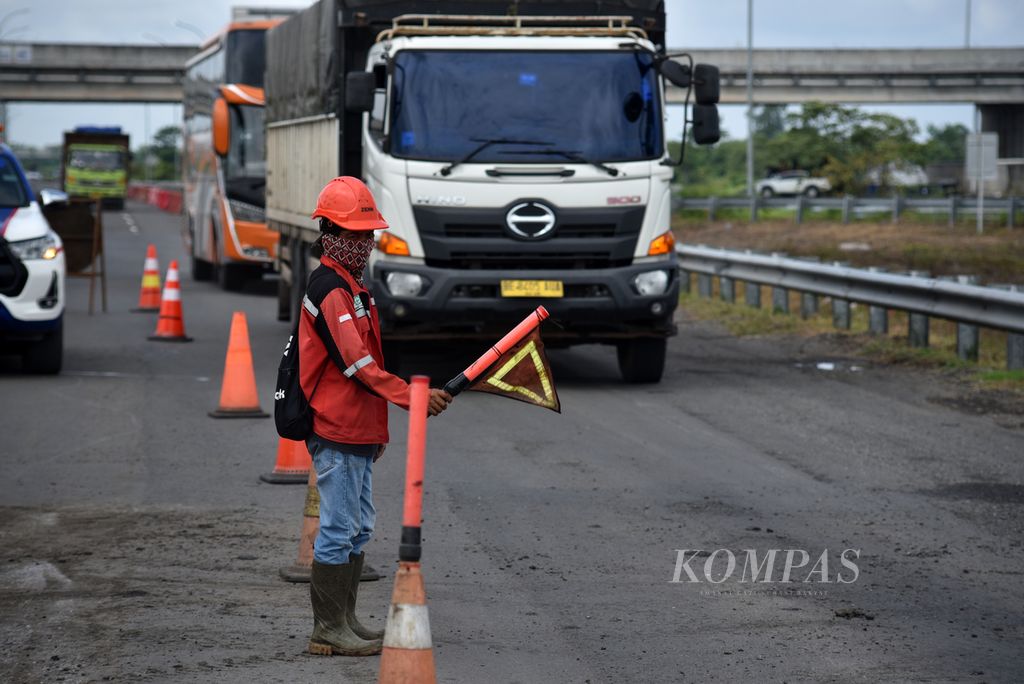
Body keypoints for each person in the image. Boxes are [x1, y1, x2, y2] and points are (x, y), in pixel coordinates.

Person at [299, 176, 452, 657]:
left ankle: (344, 619)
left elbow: (368, 365)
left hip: (358, 429)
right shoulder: (332, 291)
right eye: (355, 234)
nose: (365, 243)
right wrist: (413, 398)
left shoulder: (353, 288)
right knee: (339, 528)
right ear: (329, 233)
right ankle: (327, 628)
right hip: (337, 429)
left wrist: (378, 429)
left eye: (369, 235)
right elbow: (358, 365)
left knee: (359, 527)